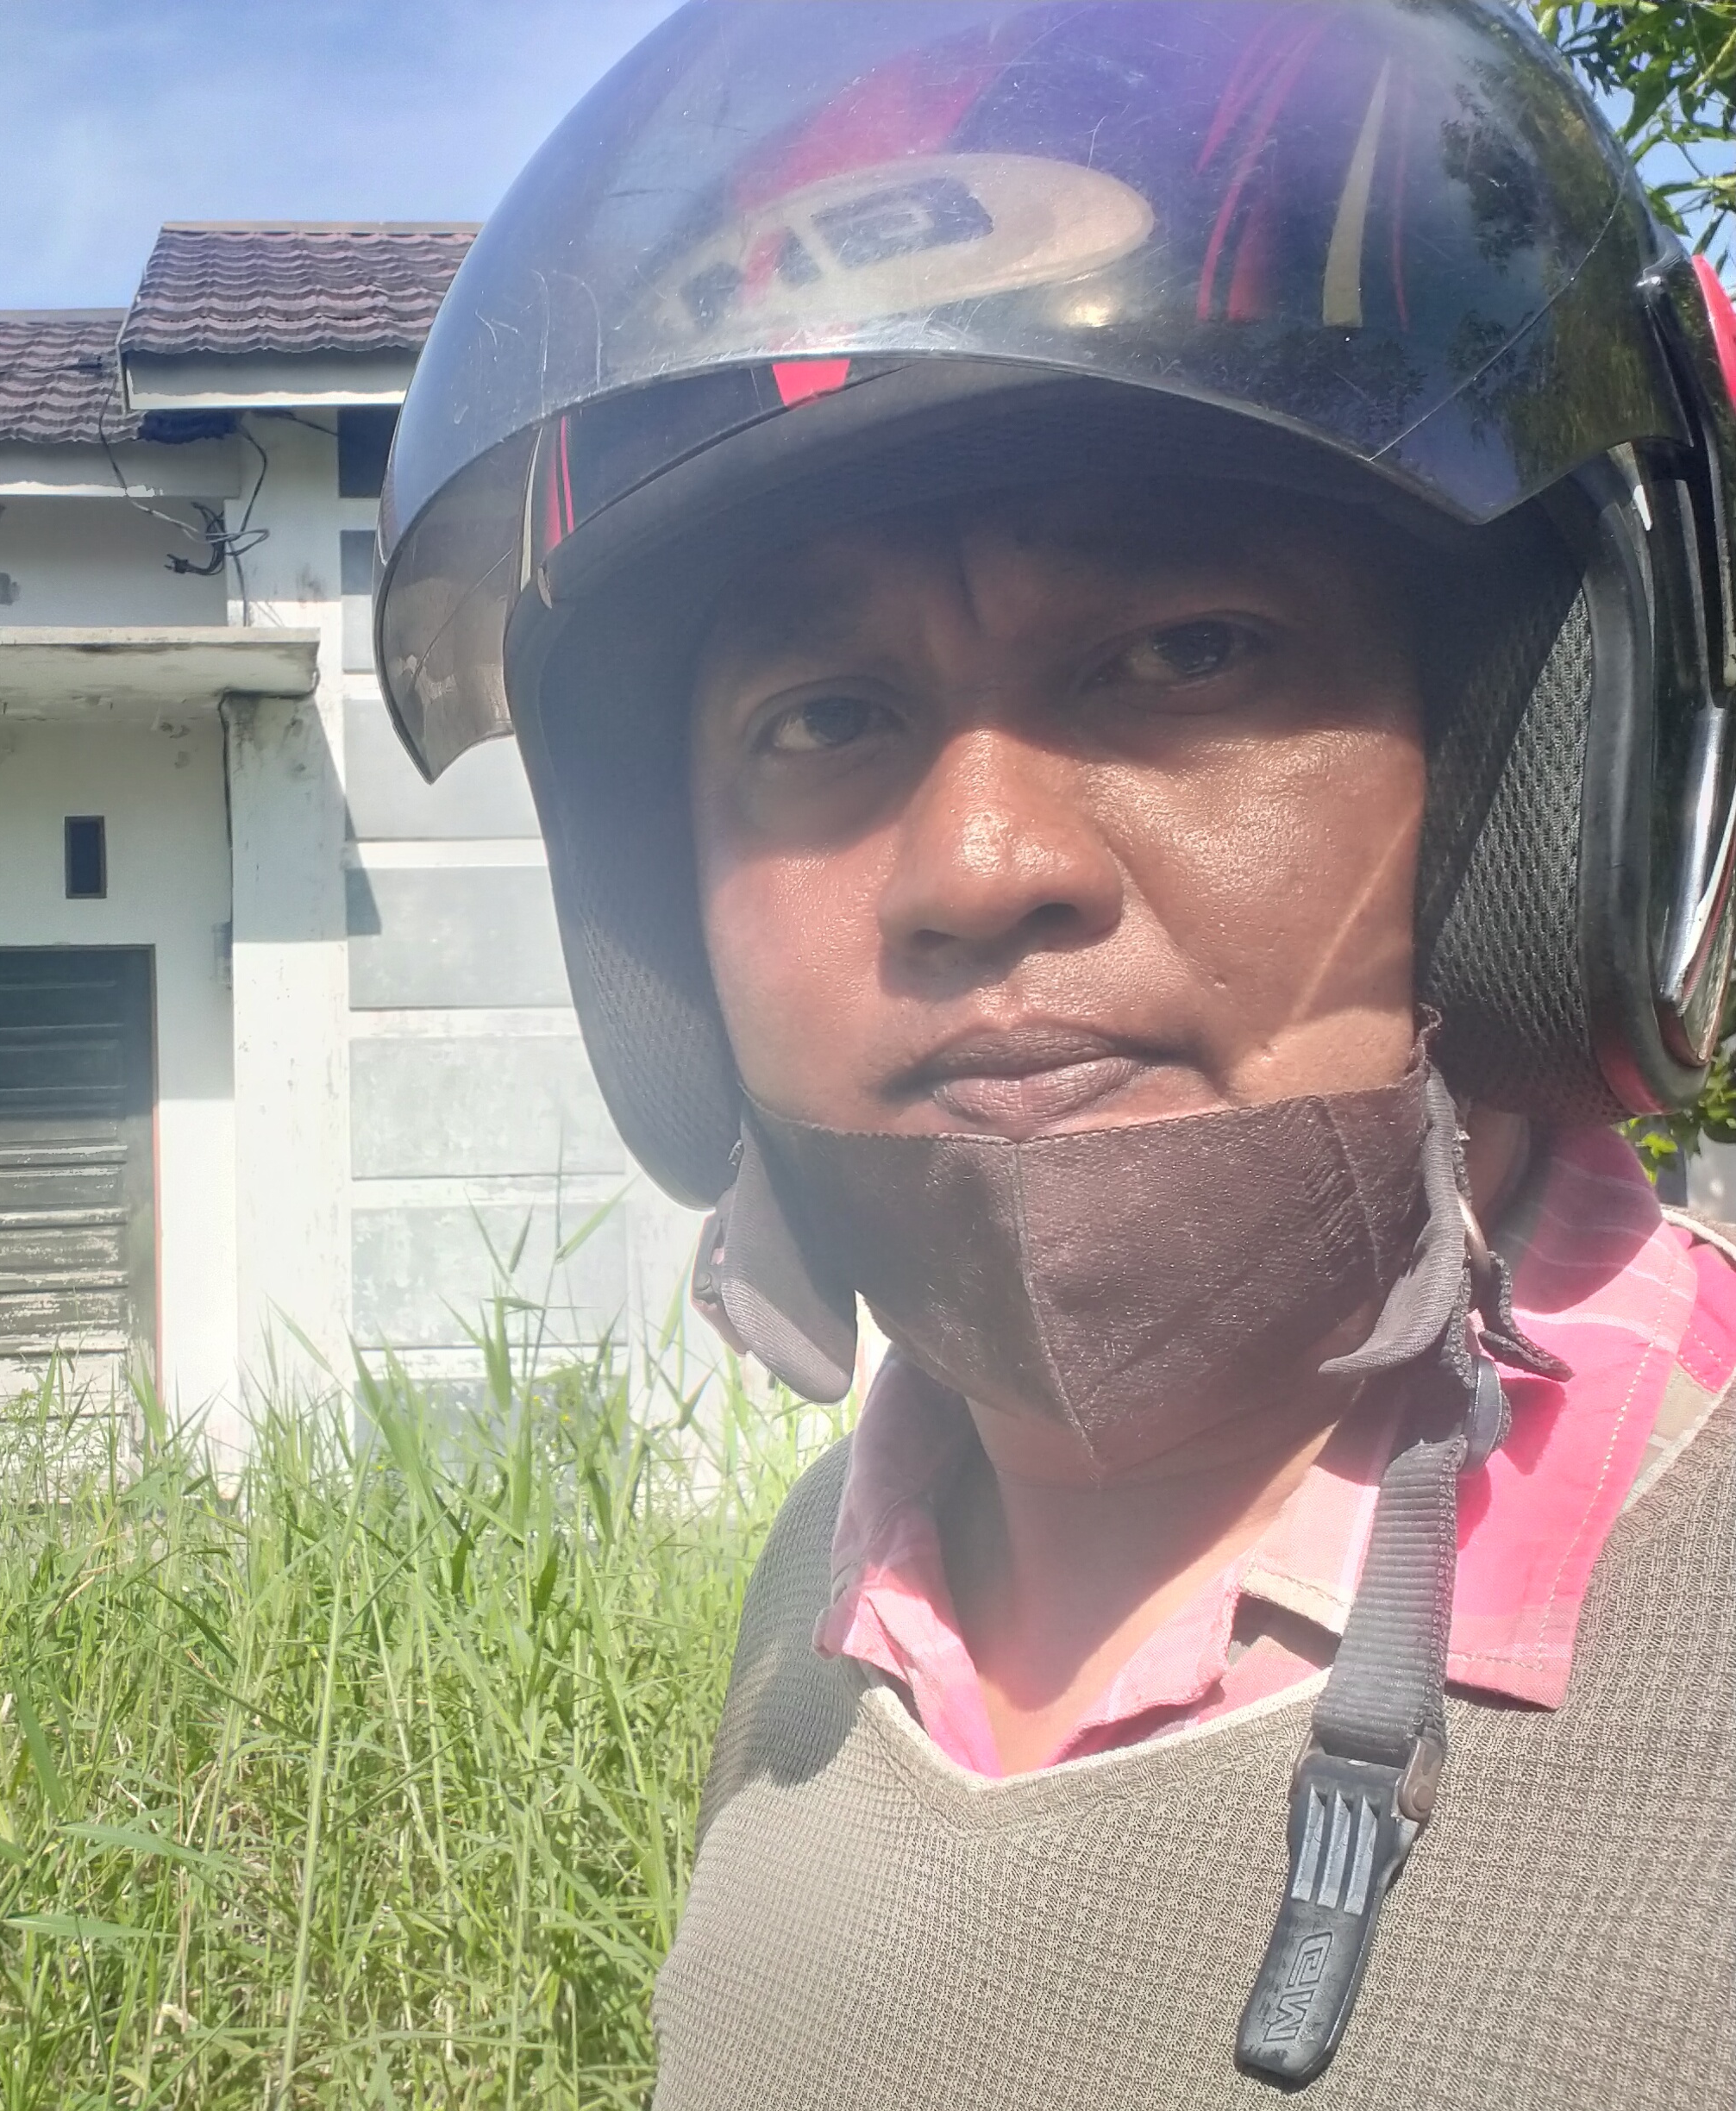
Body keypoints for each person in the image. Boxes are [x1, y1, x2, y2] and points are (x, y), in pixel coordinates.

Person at [373, 3, 1736, 2102]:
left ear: (1533, 782)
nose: (981, 863)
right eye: (826, 718)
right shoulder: (818, 1613)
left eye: (1185, 652)